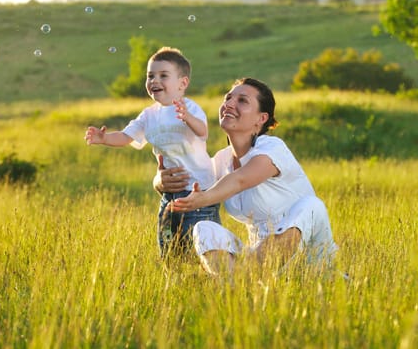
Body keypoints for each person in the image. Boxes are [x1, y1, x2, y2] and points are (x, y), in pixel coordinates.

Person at [154, 77, 338, 276]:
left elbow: (241, 179)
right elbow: (186, 180)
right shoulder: (221, 161)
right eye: (228, 98)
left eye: (242, 101)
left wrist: (205, 197)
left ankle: (252, 277)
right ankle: (239, 286)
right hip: (261, 258)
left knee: (311, 206)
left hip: (310, 259)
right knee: (204, 229)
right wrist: (160, 181)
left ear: (261, 119)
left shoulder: (272, 148)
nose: (229, 104)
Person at [84, 47, 220, 258]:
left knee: (200, 248)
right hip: (169, 194)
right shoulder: (148, 115)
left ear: (182, 83)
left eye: (163, 76)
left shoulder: (188, 107)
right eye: (150, 76)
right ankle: (173, 280)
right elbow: (126, 136)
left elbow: (203, 132)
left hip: (198, 192)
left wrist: (187, 118)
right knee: (169, 248)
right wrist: (104, 138)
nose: (154, 81)